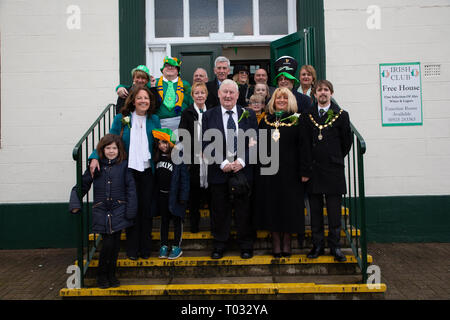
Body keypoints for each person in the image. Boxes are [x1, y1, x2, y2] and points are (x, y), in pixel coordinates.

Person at [89, 85, 161, 260]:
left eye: (146, 98)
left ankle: (145, 248)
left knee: (146, 210)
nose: (143, 101)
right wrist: (94, 156)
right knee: (131, 210)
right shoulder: (121, 119)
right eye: (140, 98)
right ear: (133, 101)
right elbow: (109, 140)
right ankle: (131, 249)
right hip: (127, 171)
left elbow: (160, 142)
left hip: (147, 171)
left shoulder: (154, 120)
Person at [69, 134, 137, 288]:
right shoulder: (96, 165)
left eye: (114, 148)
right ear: (102, 149)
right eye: (108, 148)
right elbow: (81, 185)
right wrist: (75, 202)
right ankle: (101, 276)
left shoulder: (124, 166)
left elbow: (131, 189)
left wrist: (131, 211)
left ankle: (111, 275)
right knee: (107, 245)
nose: (111, 151)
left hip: (119, 210)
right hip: (102, 211)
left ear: (119, 150)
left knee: (115, 247)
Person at [202, 79, 258, 259]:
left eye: (231, 92)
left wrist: (242, 161)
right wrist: (222, 162)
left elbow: (255, 143)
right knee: (219, 209)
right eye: (224, 92)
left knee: (244, 210)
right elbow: (205, 143)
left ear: (237, 95)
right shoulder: (208, 116)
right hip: (219, 171)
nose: (228, 95)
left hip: (243, 170)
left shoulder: (248, 114)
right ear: (218, 94)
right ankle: (219, 245)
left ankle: (246, 245)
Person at [253, 88, 311, 257]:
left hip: (291, 173)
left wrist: (305, 170)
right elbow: (260, 149)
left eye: (285, 98)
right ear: (273, 101)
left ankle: (287, 241)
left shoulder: (298, 120)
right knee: (272, 206)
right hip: (270, 173)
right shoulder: (266, 121)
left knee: (289, 207)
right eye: (278, 98)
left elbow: (304, 147)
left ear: (290, 100)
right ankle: (276, 241)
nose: (281, 100)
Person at [305, 80, 352, 262]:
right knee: (315, 213)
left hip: (333, 170)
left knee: (334, 213)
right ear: (314, 94)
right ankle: (317, 245)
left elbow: (346, 142)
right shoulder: (307, 115)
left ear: (331, 93)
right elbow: (304, 143)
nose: (322, 93)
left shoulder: (341, 115)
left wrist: (334, 157)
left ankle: (335, 246)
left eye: (326, 90)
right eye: (319, 90)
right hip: (314, 170)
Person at [178, 82, 211, 233]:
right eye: (196, 93)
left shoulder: (211, 112)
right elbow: (183, 135)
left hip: (210, 157)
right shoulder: (187, 113)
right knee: (194, 194)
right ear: (192, 96)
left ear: (206, 95)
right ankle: (195, 225)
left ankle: (212, 225)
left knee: (210, 191)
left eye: (202, 93)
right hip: (194, 157)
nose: (199, 95)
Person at [152, 128, 190, 260]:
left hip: (175, 196)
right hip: (162, 195)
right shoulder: (156, 157)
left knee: (177, 220)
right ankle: (163, 245)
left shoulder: (178, 158)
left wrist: (183, 196)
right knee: (164, 220)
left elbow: (184, 179)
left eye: (165, 142)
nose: (162, 146)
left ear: (171, 143)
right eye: (160, 143)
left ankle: (176, 246)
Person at [154, 56, 193, 131]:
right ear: (162, 70)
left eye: (173, 66)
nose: (170, 68)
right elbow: (136, 87)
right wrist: (123, 88)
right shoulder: (154, 83)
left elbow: (192, 104)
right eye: (167, 65)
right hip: (159, 123)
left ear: (178, 71)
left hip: (181, 124)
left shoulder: (185, 84)